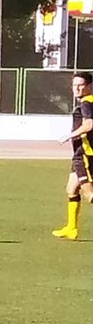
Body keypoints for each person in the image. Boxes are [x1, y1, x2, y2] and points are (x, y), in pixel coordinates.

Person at [52, 71, 93, 240]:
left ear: (89, 86)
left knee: (89, 195)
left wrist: (69, 136)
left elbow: (89, 125)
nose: (76, 88)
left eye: (80, 85)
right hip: (79, 154)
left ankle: (71, 228)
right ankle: (71, 228)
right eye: (74, 85)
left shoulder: (86, 103)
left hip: (84, 154)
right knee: (71, 189)